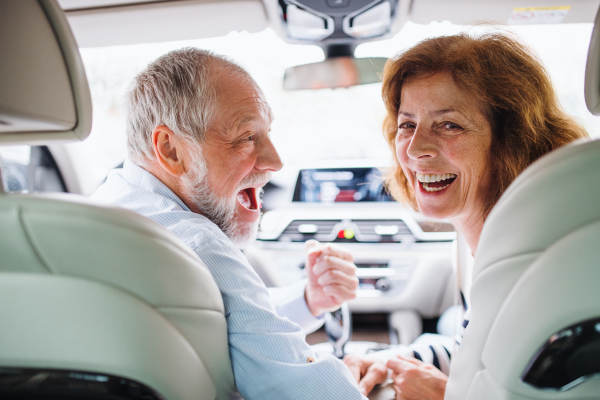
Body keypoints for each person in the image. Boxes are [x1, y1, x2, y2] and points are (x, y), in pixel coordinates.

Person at [90, 48, 365, 400]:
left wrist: (309, 299)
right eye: (247, 137)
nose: (275, 162)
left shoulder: (106, 202)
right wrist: (349, 374)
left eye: (267, 134)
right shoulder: (194, 243)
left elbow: (219, 321)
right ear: (171, 150)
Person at [343, 30, 589, 399]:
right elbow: (481, 352)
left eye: (449, 124)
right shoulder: (485, 240)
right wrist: (394, 360)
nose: (414, 149)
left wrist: (447, 396)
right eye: (407, 124)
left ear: (511, 141)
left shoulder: (553, 258)